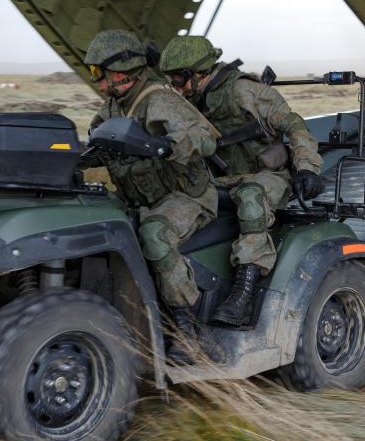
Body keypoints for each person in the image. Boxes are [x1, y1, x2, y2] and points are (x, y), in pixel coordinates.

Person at [159, 36, 324, 326]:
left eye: (179, 78)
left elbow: (294, 124)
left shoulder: (245, 91)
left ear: (200, 73)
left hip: (266, 177)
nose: (175, 86)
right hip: (219, 180)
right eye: (170, 79)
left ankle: (243, 294)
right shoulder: (186, 101)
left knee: (250, 195)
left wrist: (307, 166)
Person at [85, 29, 219, 363]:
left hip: (185, 197)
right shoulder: (113, 107)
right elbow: (96, 146)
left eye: (97, 72)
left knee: (154, 235)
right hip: (139, 199)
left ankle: (190, 333)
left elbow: (205, 138)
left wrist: (166, 146)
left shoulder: (159, 100)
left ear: (121, 71)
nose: (96, 81)